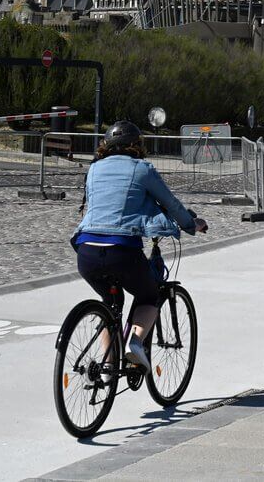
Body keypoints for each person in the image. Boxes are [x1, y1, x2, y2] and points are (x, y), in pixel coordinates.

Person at [71, 121, 208, 372]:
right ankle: (134, 343)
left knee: (109, 303)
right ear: (136, 145)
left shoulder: (94, 169)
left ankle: (107, 367)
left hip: (86, 251)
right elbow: (171, 203)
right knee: (149, 295)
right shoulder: (142, 169)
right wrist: (191, 224)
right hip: (121, 250)